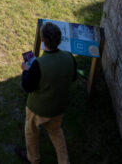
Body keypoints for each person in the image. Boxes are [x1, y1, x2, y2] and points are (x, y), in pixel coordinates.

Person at [19, 22, 77, 164]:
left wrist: (26, 70)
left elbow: (27, 86)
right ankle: (64, 161)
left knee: (31, 132)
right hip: (58, 107)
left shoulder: (38, 64)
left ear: (43, 41)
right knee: (56, 132)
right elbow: (73, 77)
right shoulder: (69, 57)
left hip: (38, 108)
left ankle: (33, 158)